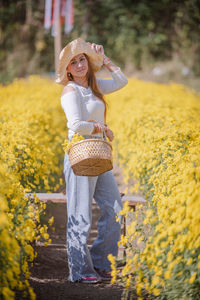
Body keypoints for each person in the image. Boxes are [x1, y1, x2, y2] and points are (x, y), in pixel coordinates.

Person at [56, 37, 128, 284]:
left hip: (99, 155)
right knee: (81, 214)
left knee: (114, 208)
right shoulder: (70, 90)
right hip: (78, 157)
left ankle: (100, 262)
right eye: (73, 62)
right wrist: (100, 128)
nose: (79, 65)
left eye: (82, 59)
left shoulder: (94, 87)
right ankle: (79, 270)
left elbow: (122, 81)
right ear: (67, 69)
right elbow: (76, 125)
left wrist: (104, 59)